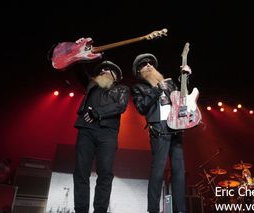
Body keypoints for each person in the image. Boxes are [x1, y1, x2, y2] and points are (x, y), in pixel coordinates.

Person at [130, 53, 191, 213]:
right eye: (144, 64)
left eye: (151, 63)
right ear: (139, 71)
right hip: (159, 130)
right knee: (158, 171)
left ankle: (181, 210)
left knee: (179, 172)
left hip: (175, 128)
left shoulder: (169, 83)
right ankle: (153, 210)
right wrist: (157, 89)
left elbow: (182, 99)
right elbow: (142, 108)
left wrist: (184, 77)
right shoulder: (139, 87)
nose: (149, 65)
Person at [73, 60, 130, 213]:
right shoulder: (92, 84)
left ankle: (100, 210)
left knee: (105, 173)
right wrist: (80, 55)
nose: (104, 70)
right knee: (80, 171)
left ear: (116, 76)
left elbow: (121, 106)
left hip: (108, 133)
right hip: (86, 130)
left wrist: (96, 112)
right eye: (102, 69)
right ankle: (80, 210)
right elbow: (79, 71)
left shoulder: (122, 89)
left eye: (109, 69)